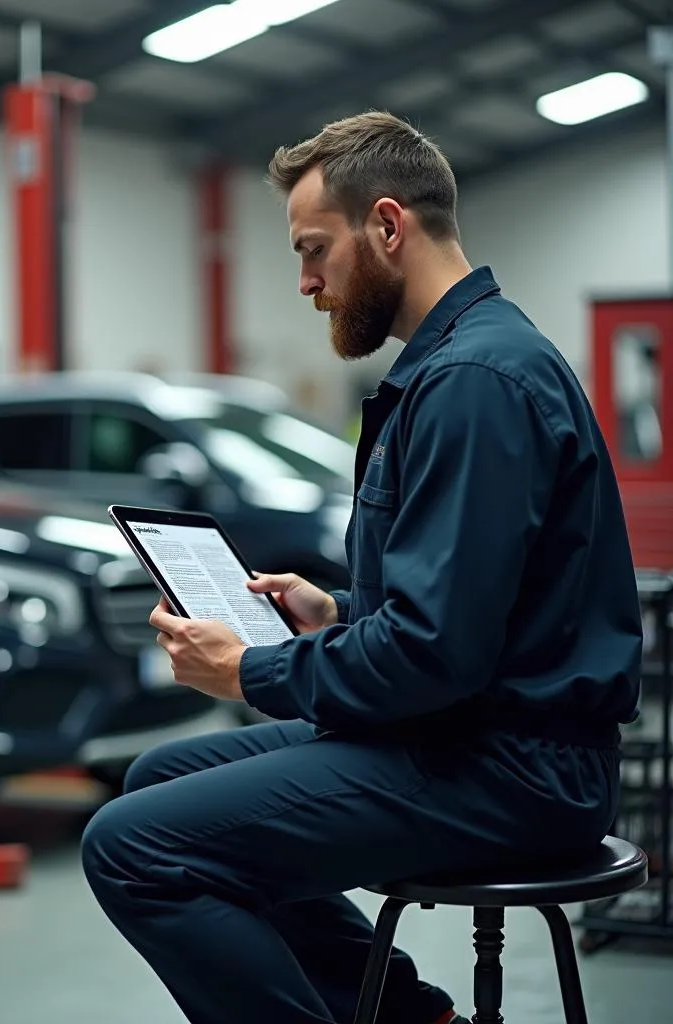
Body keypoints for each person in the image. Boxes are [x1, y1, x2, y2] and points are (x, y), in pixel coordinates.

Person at [80, 111, 642, 1024]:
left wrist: (248, 669)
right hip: (471, 737)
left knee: (133, 847)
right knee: (155, 787)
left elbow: (434, 658)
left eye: (314, 252)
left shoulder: (474, 386)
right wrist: (336, 615)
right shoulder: (463, 365)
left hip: (508, 769)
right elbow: (474, 617)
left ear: (387, 227)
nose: (305, 283)